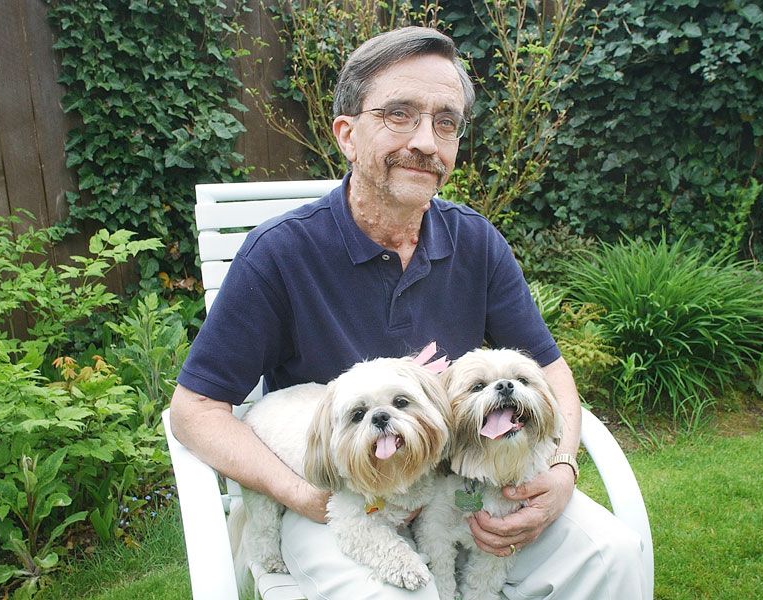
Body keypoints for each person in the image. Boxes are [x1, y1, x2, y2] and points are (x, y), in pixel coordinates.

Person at [170, 26, 646, 600]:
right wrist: (302, 494)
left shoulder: (476, 242)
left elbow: (549, 371)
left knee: (611, 556)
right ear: (346, 134)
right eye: (400, 114)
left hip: (461, 488)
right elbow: (195, 409)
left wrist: (563, 471)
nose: (427, 140)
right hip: (345, 505)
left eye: (445, 122)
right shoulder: (279, 254)